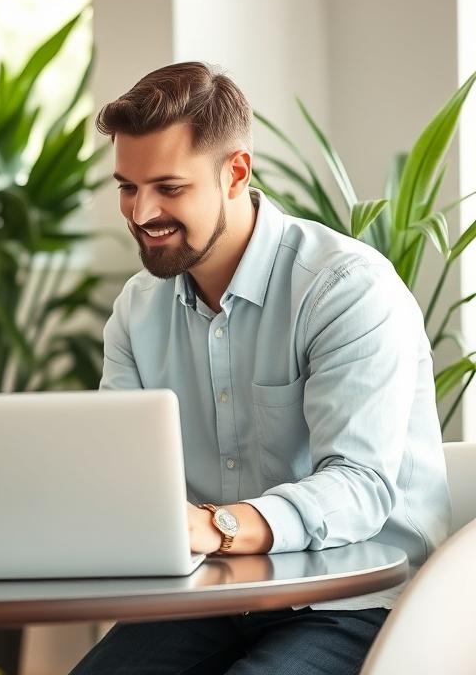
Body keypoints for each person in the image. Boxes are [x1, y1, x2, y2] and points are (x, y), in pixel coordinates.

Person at [70, 63, 450, 675]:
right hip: (208, 598)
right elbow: (123, 479)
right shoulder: (138, 311)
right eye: (126, 187)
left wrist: (219, 527)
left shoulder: (344, 290)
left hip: (355, 601)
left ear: (235, 173)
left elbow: (360, 486)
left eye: (168, 188)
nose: (141, 213)